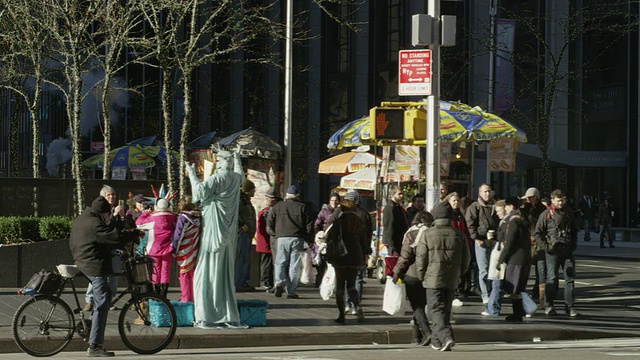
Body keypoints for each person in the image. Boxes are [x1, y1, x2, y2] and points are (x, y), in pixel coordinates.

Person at [69, 196, 140, 357]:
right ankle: (95, 346)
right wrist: (133, 233)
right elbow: (112, 237)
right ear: (104, 213)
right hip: (93, 265)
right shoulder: (95, 223)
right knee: (102, 303)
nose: (108, 218)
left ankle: (93, 328)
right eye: (108, 215)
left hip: (82, 261)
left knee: (102, 297)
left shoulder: (81, 219)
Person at [185, 148, 247, 328]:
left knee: (205, 273)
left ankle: (206, 315)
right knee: (223, 274)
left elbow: (199, 192)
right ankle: (226, 313)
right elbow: (240, 175)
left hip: (212, 232)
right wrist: (237, 157)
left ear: (219, 162)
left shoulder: (217, 178)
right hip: (227, 235)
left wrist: (191, 172)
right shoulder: (235, 179)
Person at [415, 202, 470, 352]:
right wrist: (460, 273)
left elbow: (421, 258)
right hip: (452, 277)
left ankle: (446, 337)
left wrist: (421, 275)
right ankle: (436, 340)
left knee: (435, 309)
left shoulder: (427, 234)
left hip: (432, 276)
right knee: (445, 309)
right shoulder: (459, 235)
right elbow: (467, 258)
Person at [533, 189, 579, 317]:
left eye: (562, 200)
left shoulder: (568, 213)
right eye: (558, 200)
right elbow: (537, 233)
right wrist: (546, 247)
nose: (561, 203)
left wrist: (574, 244)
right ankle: (549, 305)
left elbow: (575, 229)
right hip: (553, 251)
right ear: (552, 200)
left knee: (569, 278)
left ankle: (570, 306)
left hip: (567, 249)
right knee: (552, 278)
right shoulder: (546, 214)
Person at [392, 210, 434, 346]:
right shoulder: (432, 233)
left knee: (417, 306)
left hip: (412, 274)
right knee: (421, 304)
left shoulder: (411, 234)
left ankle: (427, 333)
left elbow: (405, 257)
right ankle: (416, 337)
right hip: (428, 274)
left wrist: (396, 272)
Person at [267, 183, 314, 299]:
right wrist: (309, 239)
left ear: (287, 195)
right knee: (294, 265)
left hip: (281, 238)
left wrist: (274, 234)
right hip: (297, 238)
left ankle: (279, 282)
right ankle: (291, 291)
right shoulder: (302, 207)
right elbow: (309, 225)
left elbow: (270, 222)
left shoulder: (278, 206)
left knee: (280, 262)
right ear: (298, 196)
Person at [325, 199, 369, 324]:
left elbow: (330, 238)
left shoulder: (338, 222)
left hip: (341, 257)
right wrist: (364, 255)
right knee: (351, 285)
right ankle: (357, 306)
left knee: (340, 287)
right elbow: (364, 242)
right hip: (355, 257)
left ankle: (341, 315)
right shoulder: (359, 222)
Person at [84, 185, 126, 312]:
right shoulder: (98, 212)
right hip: (101, 250)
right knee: (97, 276)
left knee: (114, 276)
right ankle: (90, 301)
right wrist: (113, 215)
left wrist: (123, 217)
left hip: (115, 249)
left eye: (113, 195)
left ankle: (109, 300)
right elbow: (104, 229)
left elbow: (122, 229)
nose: (111, 197)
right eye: (108, 195)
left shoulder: (118, 210)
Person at [495, 197, 532, 322]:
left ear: (511, 206)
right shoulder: (523, 219)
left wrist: (500, 259)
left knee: (515, 288)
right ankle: (519, 312)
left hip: (516, 259)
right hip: (525, 258)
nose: (505, 208)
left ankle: (518, 313)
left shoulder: (513, 222)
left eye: (507, 205)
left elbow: (509, 242)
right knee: (519, 287)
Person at [136, 197, 177, 298]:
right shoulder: (173, 218)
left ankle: (156, 295)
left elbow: (138, 224)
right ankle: (163, 296)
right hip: (168, 249)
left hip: (154, 249)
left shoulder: (152, 218)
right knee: (165, 271)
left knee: (156, 271)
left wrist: (146, 213)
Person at [465, 183, 498, 304]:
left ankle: (492, 291)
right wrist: (476, 238)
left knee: (493, 268)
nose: (487, 194)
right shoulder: (475, 206)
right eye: (485, 191)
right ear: (479, 193)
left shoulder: (495, 206)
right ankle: (485, 294)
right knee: (483, 268)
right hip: (481, 241)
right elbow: (470, 223)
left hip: (494, 240)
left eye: (489, 191)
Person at [343, 190, 373, 314]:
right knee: (358, 278)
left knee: (345, 278)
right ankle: (356, 304)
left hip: (344, 251)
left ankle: (346, 303)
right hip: (359, 251)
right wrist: (366, 251)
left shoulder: (340, 213)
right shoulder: (364, 214)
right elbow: (367, 235)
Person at [519, 187, 547, 310]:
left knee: (541, 269)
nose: (529, 200)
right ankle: (522, 293)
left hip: (539, 241)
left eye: (531, 197)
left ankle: (541, 296)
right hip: (528, 241)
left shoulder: (543, 210)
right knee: (525, 268)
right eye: (528, 198)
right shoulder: (524, 210)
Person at [170, 195, 201, 303]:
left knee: (184, 275)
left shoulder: (182, 218)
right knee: (192, 274)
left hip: (183, 250)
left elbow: (178, 235)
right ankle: (193, 297)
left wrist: (174, 249)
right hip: (194, 248)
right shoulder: (198, 218)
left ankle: (186, 298)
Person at [447, 192, 472, 307]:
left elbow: (465, 230)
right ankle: (453, 294)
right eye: (454, 201)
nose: (456, 203)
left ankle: (457, 291)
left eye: (457, 200)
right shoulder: (448, 215)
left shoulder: (460, 215)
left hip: (461, 245)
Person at [313, 192, 340, 287]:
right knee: (321, 261)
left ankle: (331, 281)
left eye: (336, 200)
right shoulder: (324, 212)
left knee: (332, 261)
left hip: (336, 240)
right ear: (329, 201)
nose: (334, 202)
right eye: (332, 200)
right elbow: (317, 224)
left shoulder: (340, 211)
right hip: (324, 239)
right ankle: (319, 279)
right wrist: (319, 234)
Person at [256, 188, 279, 291]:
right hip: (266, 240)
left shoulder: (267, 211)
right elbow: (262, 228)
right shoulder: (265, 212)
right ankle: (265, 281)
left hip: (268, 240)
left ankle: (268, 281)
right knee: (266, 262)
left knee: (269, 262)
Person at [236, 179, 257, 292]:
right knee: (242, 259)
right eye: (253, 189)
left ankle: (243, 281)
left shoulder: (245, 200)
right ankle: (240, 283)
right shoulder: (241, 201)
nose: (255, 191)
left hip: (247, 234)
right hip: (243, 234)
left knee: (244, 259)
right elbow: (235, 213)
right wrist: (241, 225)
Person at [382, 184, 408, 256]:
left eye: (402, 194)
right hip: (394, 243)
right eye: (399, 194)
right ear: (393, 194)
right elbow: (389, 227)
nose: (401, 196)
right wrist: (392, 246)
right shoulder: (390, 208)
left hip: (399, 241)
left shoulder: (398, 207)